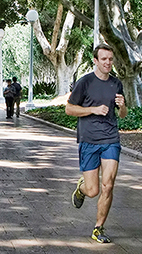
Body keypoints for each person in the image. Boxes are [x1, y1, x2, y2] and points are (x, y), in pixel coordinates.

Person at [66, 44, 128, 243]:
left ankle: (98, 228)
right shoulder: (85, 82)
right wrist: (92, 110)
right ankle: (82, 188)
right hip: (89, 139)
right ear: (95, 60)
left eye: (110, 59)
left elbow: (123, 115)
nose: (108, 63)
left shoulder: (116, 84)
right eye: (104, 59)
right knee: (93, 191)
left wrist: (122, 106)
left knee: (108, 185)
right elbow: (69, 109)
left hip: (110, 139)